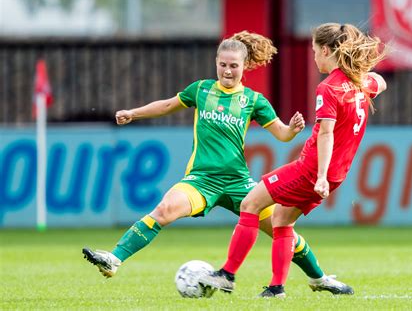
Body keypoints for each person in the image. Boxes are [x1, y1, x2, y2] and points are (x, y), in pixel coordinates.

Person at [82, 31, 343, 294]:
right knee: (163, 210)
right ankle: (113, 259)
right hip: (201, 180)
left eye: (233, 66)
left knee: (281, 228)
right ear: (216, 62)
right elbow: (166, 105)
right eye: (222, 65)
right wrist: (132, 113)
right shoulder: (201, 90)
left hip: (239, 183)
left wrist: (292, 129)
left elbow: (282, 134)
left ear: (244, 66)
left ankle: (319, 279)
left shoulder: (253, 100)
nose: (227, 71)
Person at [199, 23, 387, 298]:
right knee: (282, 221)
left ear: (325, 50)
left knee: (250, 204)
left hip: (311, 170)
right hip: (337, 174)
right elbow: (380, 82)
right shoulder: (360, 83)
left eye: (314, 51)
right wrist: (359, 73)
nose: (314, 57)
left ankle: (227, 274)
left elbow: (325, 134)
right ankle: (276, 288)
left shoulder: (329, 88)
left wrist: (319, 175)